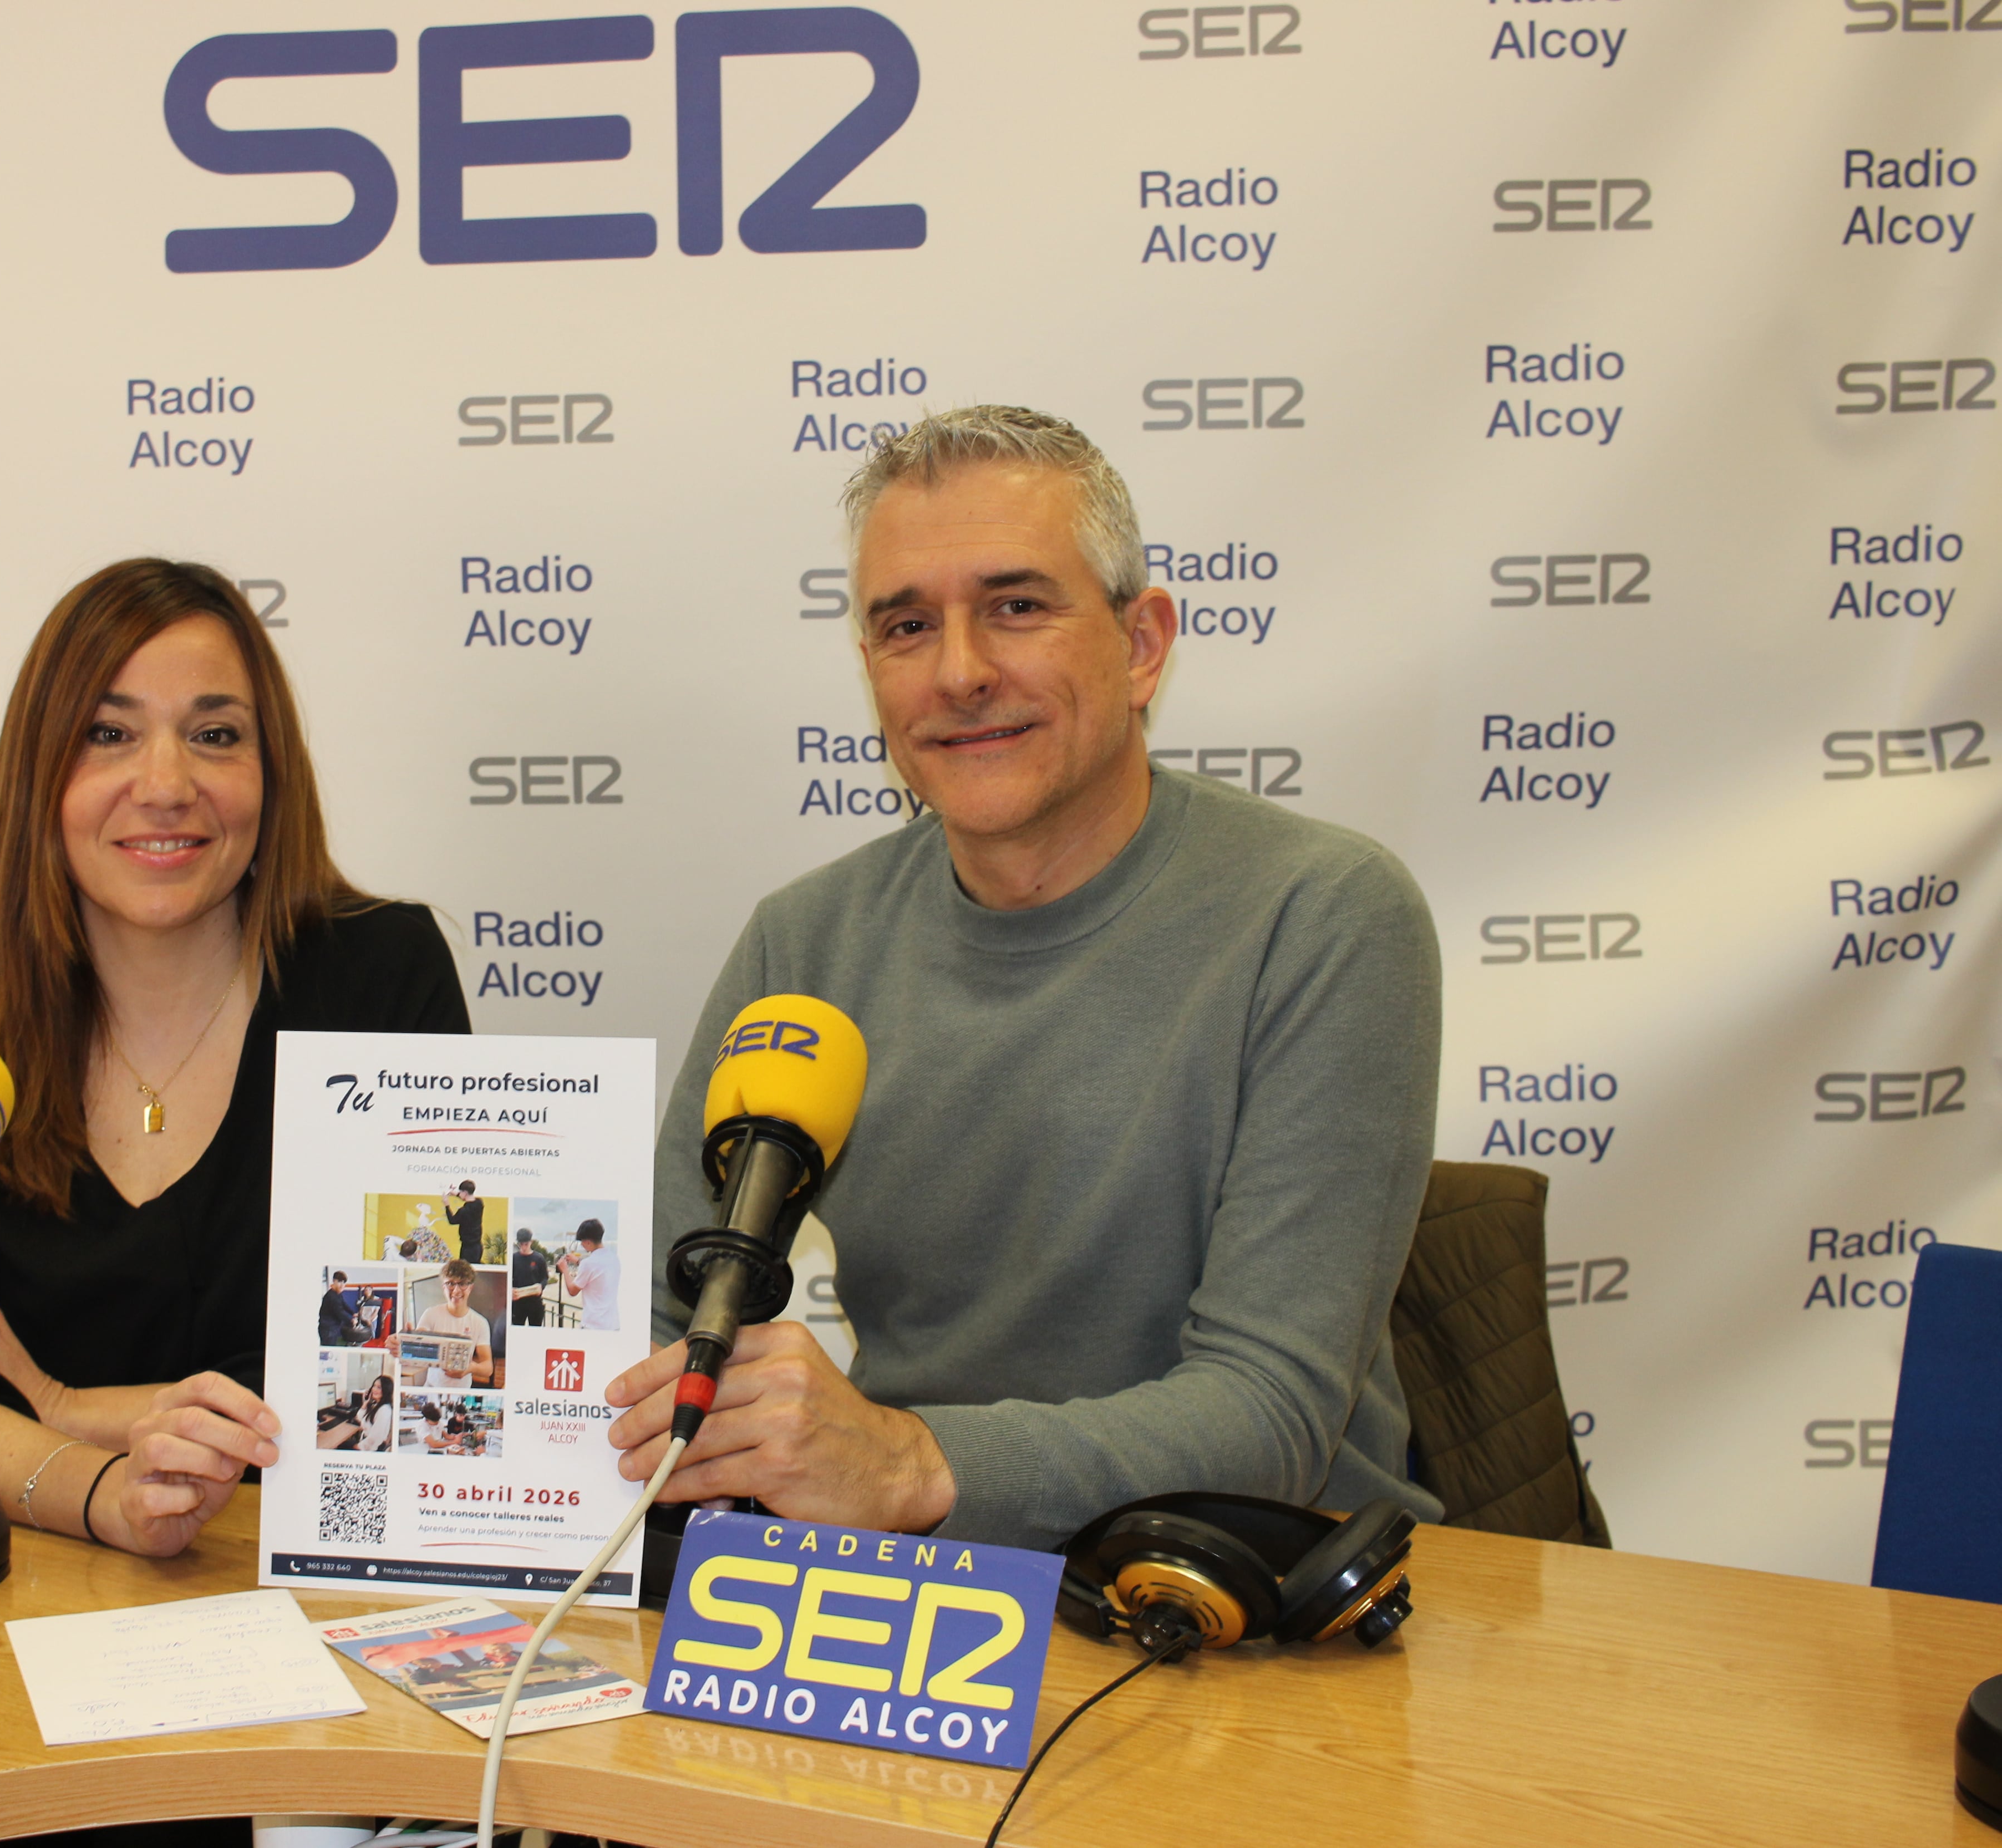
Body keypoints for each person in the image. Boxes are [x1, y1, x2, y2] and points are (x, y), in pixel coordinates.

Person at [603, 408, 1443, 1551]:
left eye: (1016, 606)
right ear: (870, 672)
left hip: (1243, 1590)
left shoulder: (1323, 914)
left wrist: (909, 1461)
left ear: (1141, 644)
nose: (959, 671)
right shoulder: (802, 943)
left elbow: (1272, 1413)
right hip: (915, 1589)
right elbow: (651, 1322)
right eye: (906, 625)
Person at [0, 558, 470, 1559]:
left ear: (272, 774)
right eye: (108, 734)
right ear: (42, 775)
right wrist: (112, 1493)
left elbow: (411, 1364)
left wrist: (53, 1397)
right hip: (32, 1587)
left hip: (316, 1579)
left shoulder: (381, 980)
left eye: (216, 735)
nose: (167, 785)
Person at [413, 1259, 495, 1388]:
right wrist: (408, 1339)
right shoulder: (431, 1314)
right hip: (431, 1388)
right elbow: (417, 1349)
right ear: (443, 1287)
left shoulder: (480, 1323)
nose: (456, 1291)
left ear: (471, 1288)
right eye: (450, 1284)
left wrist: (470, 1368)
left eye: (462, 1284)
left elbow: (488, 1368)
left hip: (462, 1392)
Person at [557, 1219, 619, 1330]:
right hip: (612, 1324)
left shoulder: (589, 1264)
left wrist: (565, 1270)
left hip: (593, 1325)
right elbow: (597, 1271)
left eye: (582, 1242)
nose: (582, 1245)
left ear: (589, 1242)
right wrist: (578, 1261)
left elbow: (572, 1291)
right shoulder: (614, 1258)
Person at [509, 1228, 548, 1326]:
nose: (524, 1247)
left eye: (526, 1244)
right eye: (521, 1244)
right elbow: (509, 1278)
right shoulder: (514, 1258)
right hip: (518, 1303)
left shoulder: (539, 1258)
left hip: (534, 1302)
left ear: (531, 1242)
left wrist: (541, 1287)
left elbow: (545, 1277)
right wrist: (510, 1289)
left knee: (535, 1331)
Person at [442, 1180, 485, 1264]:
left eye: (460, 1192)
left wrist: (447, 1205)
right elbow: (469, 1199)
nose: (459, 1193)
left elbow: (452, 1220)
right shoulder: (479, 1203)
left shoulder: (464, 1211)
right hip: (478, 1247)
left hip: (468, 1249)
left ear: (465, 1193)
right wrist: (457, 1195)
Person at [317, 1270, 355, 1348]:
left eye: (344, 1283)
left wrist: (353, 1313)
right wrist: (351, 1320)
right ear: (334, 1281)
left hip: (331, 1328)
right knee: (328, 1352)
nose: (342, 1285)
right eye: (340, 1282)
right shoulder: (332, 1296)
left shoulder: (337, 1294)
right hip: (328, 1330)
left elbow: (344, 1304)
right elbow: (340, 1312)